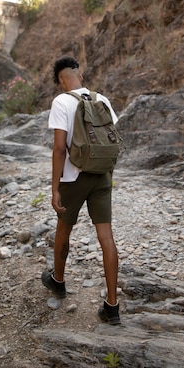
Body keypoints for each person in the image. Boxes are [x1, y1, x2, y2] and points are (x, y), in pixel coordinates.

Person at [41, 55, 121, 325]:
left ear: (61, 80)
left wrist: (55, 188)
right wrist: (108, 175)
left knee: (64, 229)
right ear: (80, 75)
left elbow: (59, 148)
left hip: (73, 177)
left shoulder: (61, 101)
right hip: (101, 176)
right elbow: (112, 141)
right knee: (106, 238)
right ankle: (112, 306)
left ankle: (59, 282)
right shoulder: (103, 100)